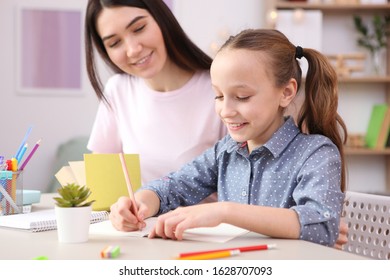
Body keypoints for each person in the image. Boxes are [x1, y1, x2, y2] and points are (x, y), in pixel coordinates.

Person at [109, 28, 349, 247]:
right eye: (218, 96)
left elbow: (321, 226)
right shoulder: (227, 151)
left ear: (286, 93)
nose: (225, 110)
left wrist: (224, 212)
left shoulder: (316, 153)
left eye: (242, 97)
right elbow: (173, 187)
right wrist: (140, 202)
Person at [84, 0, 226, 185]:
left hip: (209, 214)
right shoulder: (118, 90)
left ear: (161, 19)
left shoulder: (218, 89)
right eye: (115, 42)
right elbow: (101, 185)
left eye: (139, 28)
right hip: (142, 214)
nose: (133, 50)